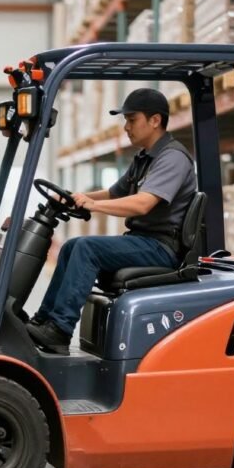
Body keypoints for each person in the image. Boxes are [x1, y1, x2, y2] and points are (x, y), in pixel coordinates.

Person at [25, 88, 198, 355]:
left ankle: (59, 330)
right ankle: (44, 319)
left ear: (155, 120)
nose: (126, 127)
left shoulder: (172, 158)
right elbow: (114, 193)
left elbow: (143, 203)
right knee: (72, 246)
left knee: (86, 248)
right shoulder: (144, 158)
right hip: (142, 242)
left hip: (161, 248)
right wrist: (74, 197)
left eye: (132, 119)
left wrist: (94, 206)